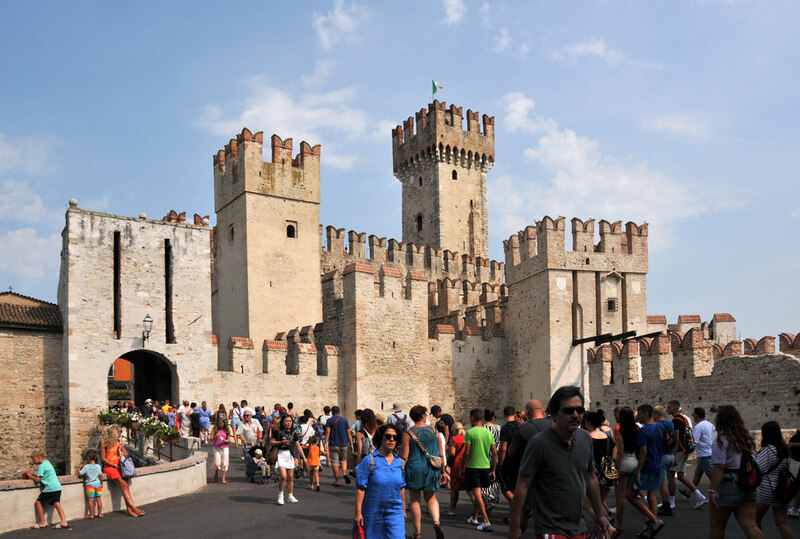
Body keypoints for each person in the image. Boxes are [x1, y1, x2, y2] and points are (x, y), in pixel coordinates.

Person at [508, 386, 613, 539]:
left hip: (578, 526)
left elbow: (590, 477)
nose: (575, 415)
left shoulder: (585, 438)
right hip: (550, 529)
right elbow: (522, 485)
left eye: (579, 410)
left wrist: (600, 514)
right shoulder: (539, 443)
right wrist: (515, 527)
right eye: (568, 411)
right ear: (554, 414)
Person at [707, 405, 764, 539]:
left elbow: (719, 467)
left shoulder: (721, 441)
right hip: (747, 482)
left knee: (717, 525)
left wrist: (712, 490)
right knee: (750, 525)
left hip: (728, 483)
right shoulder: (746, 439)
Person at [506, 398, 553, 534]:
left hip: (529, 472)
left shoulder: (522, 428)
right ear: (543, 411)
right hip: (550, 472)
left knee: (524, 509)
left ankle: (519, 533)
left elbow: (511, 453)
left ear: (526, 412)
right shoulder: (554, 426)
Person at [400, 405, 447, 539]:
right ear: (423, 415)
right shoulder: (434, 430)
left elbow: (404, 456)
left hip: (414, 467)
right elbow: (441, 452)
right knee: (431, 498)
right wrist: (443, 470)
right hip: (431, 467)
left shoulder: (408, 433)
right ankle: (436, 522)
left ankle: (418, 533)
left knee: (415, 501)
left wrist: (398, 470)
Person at [354, 424, 407, 539]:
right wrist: (358, 513)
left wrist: (403, 509)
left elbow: (401, 487)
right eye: (388, 436)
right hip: (373, 512)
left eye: (395, 437)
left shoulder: (399, 463)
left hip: (395, 512)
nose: (392, 439)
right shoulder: (369, 461)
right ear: (380, 438)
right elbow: (361, 488)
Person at [615, 405, 659, 538]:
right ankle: (646, 520)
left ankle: (620, 524)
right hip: (635, 461)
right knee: (637, 494)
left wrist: (617, 465)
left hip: (625, 461)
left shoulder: (621, 431)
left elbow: (621, 451)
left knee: (621, 496)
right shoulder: (638, 428)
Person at [633, 404, 666, 538]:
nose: (638, 416)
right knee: (652, 498)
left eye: (640, 414)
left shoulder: (643, 431)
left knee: (630, 494)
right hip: (657, 464)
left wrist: (639, 470)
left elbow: (643, 451)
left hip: (647, 466)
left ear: (646, 414)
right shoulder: (658, 429)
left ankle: (654, 520)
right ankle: (651, 528)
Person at [754, 421, 792, 539]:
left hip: (767, 488)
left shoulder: (769, 450)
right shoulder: (785, 449)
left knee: (755, 520)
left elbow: (758, 468)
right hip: (782, 488)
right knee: (782, 523)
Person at [667, 400, 707, 510]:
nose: (667, 409)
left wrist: (674, 455)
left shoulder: (676, 420)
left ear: (675, 407)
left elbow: (676, 437)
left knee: (670, 474)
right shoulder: (684, 418)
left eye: (669, 407)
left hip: (679, 450)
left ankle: (671, 502)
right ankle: (700, 496)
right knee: (680, 475)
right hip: (685, 450)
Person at [462, 407, 497, 532]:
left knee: (477, 493)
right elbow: (494, 453)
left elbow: (466, 453)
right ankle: (475, 517)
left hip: (473, 466)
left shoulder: (470, 433)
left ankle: (486, 521)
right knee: (479, 494)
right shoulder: (488, 433)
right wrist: (493, 469)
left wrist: (462, 467)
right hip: (485, 466)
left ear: (472, 418)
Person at [99, 424, 144, 517]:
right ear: (114, 432)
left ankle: (129, 510)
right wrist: (114, 466)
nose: (121, 433)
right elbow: (103, 459)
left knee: (125, 485)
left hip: (121, 466)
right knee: (124, 484)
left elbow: (126, 455)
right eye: (120, 431)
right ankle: (134, 508)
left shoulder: (119, 442)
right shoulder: (104, 443)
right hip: (110, 467)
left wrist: (121, 450)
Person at [585, 410, 616, 520]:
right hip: (608, 474)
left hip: (594, 475)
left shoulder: (587, 438)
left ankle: (607, 522)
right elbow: (614, 456)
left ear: (589, 423)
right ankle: (601, 527)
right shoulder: (609, 439)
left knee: (591, 503)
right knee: (599, 502)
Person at [26, 450, 68, 529]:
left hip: (50, 488)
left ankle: (42, 522)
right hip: (57, 487)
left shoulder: (41, 466)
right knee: (56, 503)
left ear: (39, 457)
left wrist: (29, 475)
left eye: (33, 459)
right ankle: (64, 522)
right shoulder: (47, 463)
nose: (33, 461)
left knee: (38, 502)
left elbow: (38, 480)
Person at [271, 413, 307, 505]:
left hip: (290, 454)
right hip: (280, 454)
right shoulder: (277, 431)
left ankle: (290, 496)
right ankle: (280, 495)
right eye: (286, 421)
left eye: (290, 421)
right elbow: (272, 442)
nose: (288, 423)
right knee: (283, 476)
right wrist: (281, 442)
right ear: (282, 422)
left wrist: (304, 457)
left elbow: (298, 445)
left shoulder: (293, 432)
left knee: (290, 477)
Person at [653, 405, 676, 516]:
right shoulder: (671, 424)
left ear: (656, 415)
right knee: (665, 480)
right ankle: (667, 502)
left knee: (662, 483)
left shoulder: (657, 426)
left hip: (662, 456)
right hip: (671, 455)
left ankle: (667, 506)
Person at [687, 407, 716, 493]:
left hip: (704, 455)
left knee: (712, 476)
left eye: (694, 414)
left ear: (697, 415)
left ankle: (720, 492)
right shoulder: (710, 425)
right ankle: (688, 493)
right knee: (698, 474)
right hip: (709, 453)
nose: (692, 415)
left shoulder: (699, 427)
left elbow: (694, 441)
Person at [497, 405, 520, 504]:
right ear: (514, 414)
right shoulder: (520, 426)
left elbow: (503, 449)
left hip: (508, 461)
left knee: (505, 488)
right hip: (519, 460)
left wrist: (500, 463)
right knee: (515, 488)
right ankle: (513, 515)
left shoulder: (505, 429)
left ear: (504, 415)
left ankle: (518, 508)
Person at [325, 406, 352, 486]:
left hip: (334, 444)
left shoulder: (329, 420)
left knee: (334, 462)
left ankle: (337, 481)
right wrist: (351, 443)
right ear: (339, 412)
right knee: (343, 460)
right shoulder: (345, 420)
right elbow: (349, 432)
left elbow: (327, 432)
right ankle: (344, 473)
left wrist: (325, 443)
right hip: (344, 444)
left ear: (332, 412)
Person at [446, 421, 467, 515]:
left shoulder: (454, 439)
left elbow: (452, 453)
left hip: (457, 465)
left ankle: (452, 509)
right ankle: (477, 509)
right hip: (467, 464)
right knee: (470, 489)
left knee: (454, 489)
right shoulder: (467, 438)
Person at [78, 449, 103, 519]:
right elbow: (100, 475)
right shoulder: (98, 466)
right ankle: (100, 514)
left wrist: (79, 468)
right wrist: (102, 483)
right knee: (99, 500)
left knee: (90, 500)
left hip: (90, 485)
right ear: (95, 458)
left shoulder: (86, 467)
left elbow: (80, 474)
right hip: (98, 484)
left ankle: (91, 514)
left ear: (88, 458)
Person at [211, 415, 233, 483]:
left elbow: (229, 440)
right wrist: (215, 437)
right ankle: (216, 471)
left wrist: (225, 440)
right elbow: (211, 439)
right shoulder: (214, 430)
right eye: (219, 424)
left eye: (222, 423)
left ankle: (223, 478)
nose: (220, 425)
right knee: (217, 462)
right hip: (216, 447)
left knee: (225, 462)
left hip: (225, 447)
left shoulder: (226, 430)